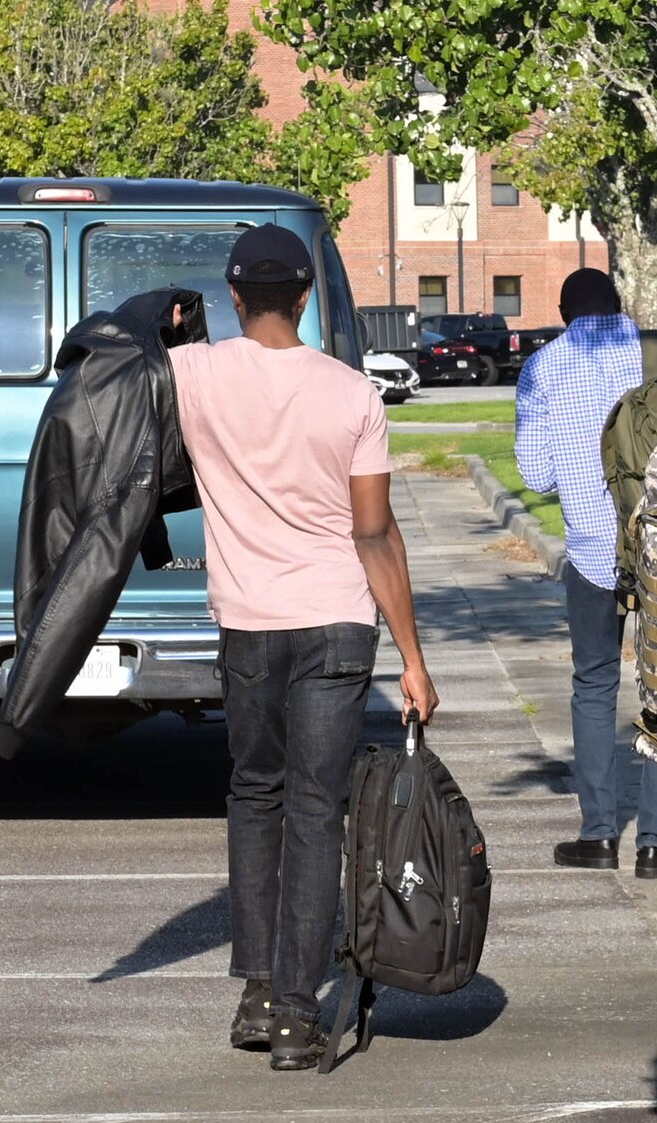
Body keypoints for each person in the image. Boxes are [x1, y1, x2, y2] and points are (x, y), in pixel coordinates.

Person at [168, 225, 438, 1072]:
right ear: (310, 297)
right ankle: (295, 1013)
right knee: (318, 808)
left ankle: (256, 989)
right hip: (336, 622)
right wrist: (414, 657)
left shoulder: (196, 374)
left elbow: (110, 347)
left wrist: (174, 325)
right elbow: (373, 531)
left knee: (256, 795)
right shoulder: (352, 392)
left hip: (248, 622)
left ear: (237, 295)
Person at [514, 269, 657, 880]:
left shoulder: (543, 368)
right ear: (621, 305)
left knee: (594, 685)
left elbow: (536, 474)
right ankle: (656, 843)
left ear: (564, 311)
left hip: (594, 554)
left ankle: (598, 834)